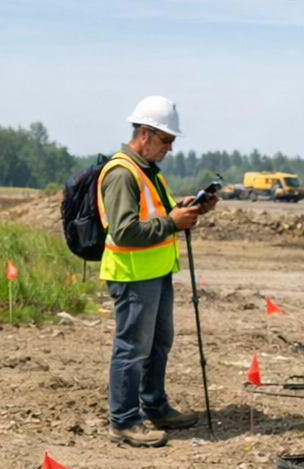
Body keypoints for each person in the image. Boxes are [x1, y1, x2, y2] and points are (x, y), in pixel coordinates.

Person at [98, 95, 215, 448]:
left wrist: (190, 209)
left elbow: (159, 215)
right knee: (132, 347)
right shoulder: (122, 173)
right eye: (166, 140)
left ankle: (155, 406)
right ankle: (123, 421)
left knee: (158, 343)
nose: (170, 148)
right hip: (133, 275)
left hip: (156, 272)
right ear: (145, 134)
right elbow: (124, 230)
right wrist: (172, 222)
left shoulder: (149, 172)